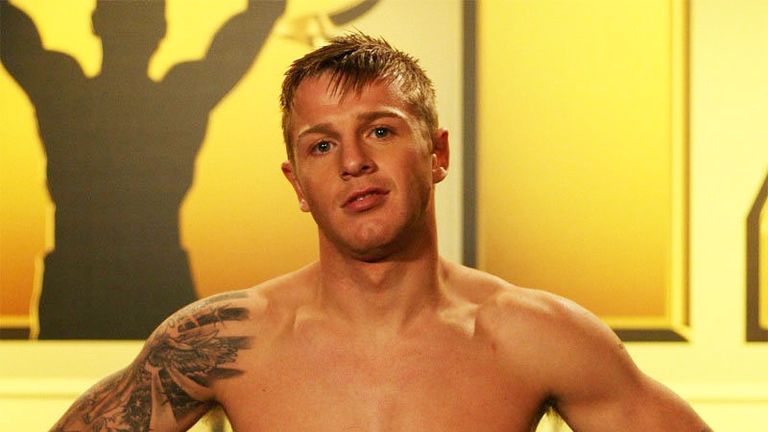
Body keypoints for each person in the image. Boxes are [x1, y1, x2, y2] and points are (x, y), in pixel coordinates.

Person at [50, 33, 711, 432]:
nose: (353, 162)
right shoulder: (222, 340)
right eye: (321, 145)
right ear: (296, 184)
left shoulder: (534, 336)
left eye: (380, 131)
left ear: (437, 153)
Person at [0, 0, 284, 339]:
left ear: (95, 22)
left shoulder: (64, 89)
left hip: (84, 280)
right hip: (146, 280)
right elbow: (256, 19)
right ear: (162, 30)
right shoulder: (180, 96)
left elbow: (12, 32)